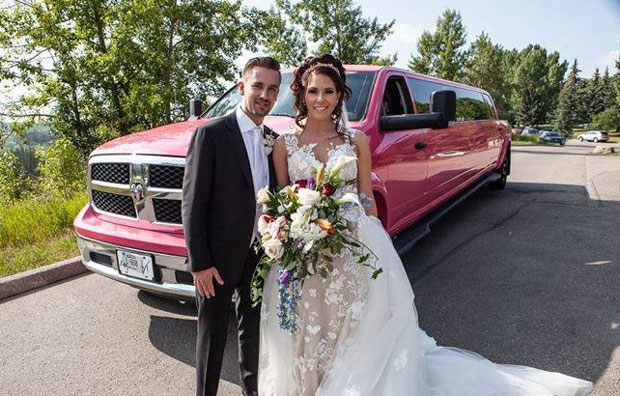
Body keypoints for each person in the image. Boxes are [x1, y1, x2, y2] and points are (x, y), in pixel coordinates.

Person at [258, 54, 593, 396]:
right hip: (304, 252)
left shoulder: (355, 141)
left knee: (350, 323)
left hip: (351, 244)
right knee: (307, 324)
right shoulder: (284, 145)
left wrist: (374, 239)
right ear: (301, 93)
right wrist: (284, 228)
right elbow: (285, 199)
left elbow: (366, 196)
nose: (320, 100)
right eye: (313, 91)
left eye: (329, 92)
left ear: (340, 95)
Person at [182, 56, 281, 396]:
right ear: (242, 87)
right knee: (212, 337)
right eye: (257, 86)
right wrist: (200, 263)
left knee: (252, 333)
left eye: (272, 89)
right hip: (216, 261)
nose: (264, 95)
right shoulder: (210, 134)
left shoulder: (273, 139)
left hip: (258, 255)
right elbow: (193, 203)